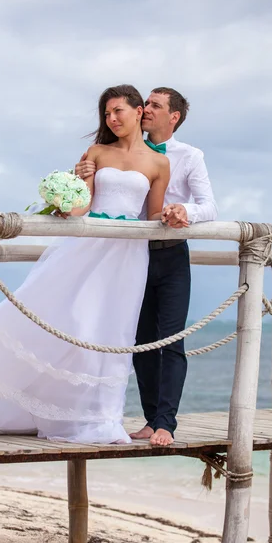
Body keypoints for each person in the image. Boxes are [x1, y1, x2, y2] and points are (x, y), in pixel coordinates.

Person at [0, 84, 170, 445]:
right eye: (107, 113)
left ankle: (97, 419)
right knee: (60, 319)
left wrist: (177, 214)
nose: (112, 119)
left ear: (137, 109)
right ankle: (9, 398)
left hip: (128, 256)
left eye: (118, 111)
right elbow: (81, 207)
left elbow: (155, 214)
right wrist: (67, 201)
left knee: (111, 331)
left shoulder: (160, 162)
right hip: (87, 248)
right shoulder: (96, 152)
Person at [75, 87, 218, 446]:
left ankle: (166, 424)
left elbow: (209, 207)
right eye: (147, 104)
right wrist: (79, 177)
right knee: (139, 341)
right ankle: (151, 419)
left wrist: (185, 211)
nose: (148, 110)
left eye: (156, 105)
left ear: (174, 117)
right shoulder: (110, 151)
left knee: (171, 340)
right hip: (129, 255)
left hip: (170, 255)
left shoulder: (188, 155)